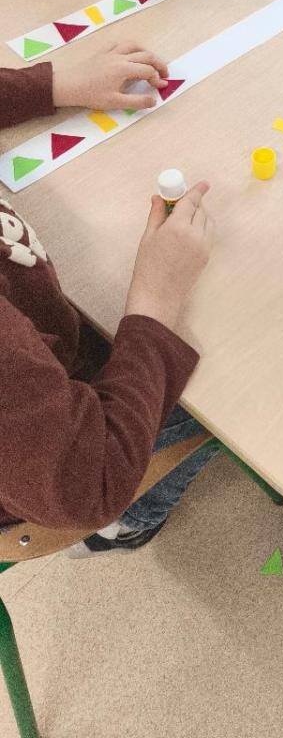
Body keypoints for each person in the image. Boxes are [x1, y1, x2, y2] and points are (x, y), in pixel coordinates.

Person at [0, 44, 216, 554]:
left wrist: (53, 85)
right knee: (235, 389)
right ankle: (130, 521)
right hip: (68, 460)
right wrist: (155, 299)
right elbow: (86, 484)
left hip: (40, 354)